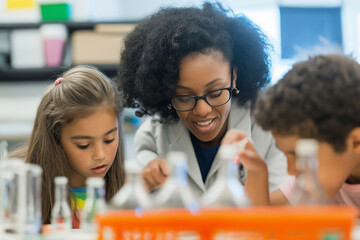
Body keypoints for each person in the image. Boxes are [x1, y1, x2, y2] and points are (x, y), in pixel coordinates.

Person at [115, 2, 289, 201]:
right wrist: (145, 183)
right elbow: (145, 211)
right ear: (166, 91)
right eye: (184, 97)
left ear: (233, 76)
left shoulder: (270, 128)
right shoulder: (152, 137)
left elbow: (278, 209)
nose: (202, 110)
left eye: (215, 93)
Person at [229, 54, 360, 208]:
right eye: (287, 155)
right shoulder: (321, 176)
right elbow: (262, 217)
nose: (291, 170)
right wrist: (256, 171)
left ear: (355, 142)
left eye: (300, 155)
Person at [13, 66, 125, 227]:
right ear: (56, 138)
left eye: (109, 140)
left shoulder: (127, 194)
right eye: (84, 145)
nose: (100, 155)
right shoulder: (23, 193)